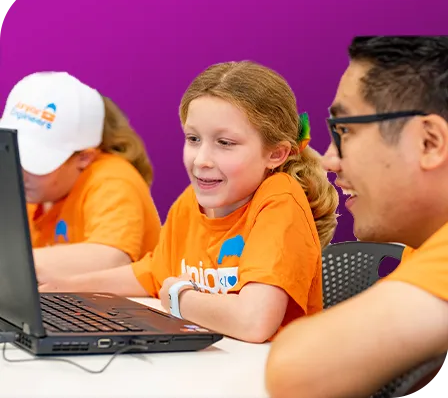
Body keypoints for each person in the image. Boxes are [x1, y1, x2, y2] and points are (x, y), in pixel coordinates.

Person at [38, 61, 339, 343]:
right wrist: (66, 288)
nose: (201, 160)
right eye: (193, 139)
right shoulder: (189, 203)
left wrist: (179, 296)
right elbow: (151, 274)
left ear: (276, 154)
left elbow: (254, 322)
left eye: (225, 143)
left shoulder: (280, 201)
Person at [265, 36, 448, 398]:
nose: (330, 160)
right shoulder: (425, 247)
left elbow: (298, 372)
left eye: (345, 130)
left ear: (429, 142)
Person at [0, 71, 161, 281]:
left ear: (84, 157)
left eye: (34, 161)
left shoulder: (113, 180)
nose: (20, 172)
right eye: (15, 153)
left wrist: (10, 262)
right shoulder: (37, 187)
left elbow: (111, 257)